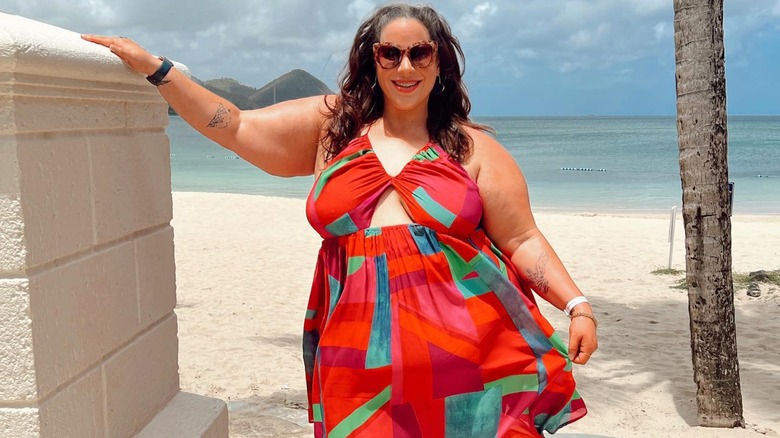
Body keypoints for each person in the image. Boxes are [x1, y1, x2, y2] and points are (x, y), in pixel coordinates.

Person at [83, 4, 597, 437]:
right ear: (371, 60)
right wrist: (158, 70)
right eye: (389, 53)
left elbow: (523, 239)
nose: (404, 66)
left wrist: (577, 306)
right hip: (355, 359)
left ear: (440, 62)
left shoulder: (473, 149)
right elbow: (235, 126)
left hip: (468, 364)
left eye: (420, 52)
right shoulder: (333, 128)